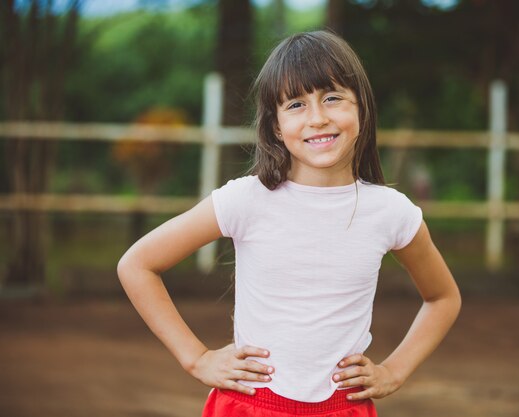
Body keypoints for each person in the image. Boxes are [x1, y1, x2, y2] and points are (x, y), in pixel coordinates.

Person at [117, 30, 461, 417]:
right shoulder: (245, 199)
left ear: (361, 109)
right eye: (296, 104)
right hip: (249, 406)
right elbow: (137, 264)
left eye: (333, 98)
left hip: (344, 409)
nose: (318, 118)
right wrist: (196, 359)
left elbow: (443, 298)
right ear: (276, 126)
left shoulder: (391, 212)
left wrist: (394, 372)